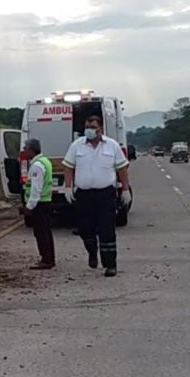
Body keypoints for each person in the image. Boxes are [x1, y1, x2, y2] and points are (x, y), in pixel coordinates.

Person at [62, 116, 129, 277]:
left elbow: (122, 169)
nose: (89, 130)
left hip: (105, 194)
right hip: (84, 195)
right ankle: (92, 252)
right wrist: (68, 187)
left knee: (107, 231)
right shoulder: (77, 146)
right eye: (87, 127)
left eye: (93, 127)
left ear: (101, 129)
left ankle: (110, 264)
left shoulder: (112, 146)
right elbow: (68, 167)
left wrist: (125, 189)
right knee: (85, 229)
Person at [22, 138, 55, 269]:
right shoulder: (45, 161)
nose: (24, 151)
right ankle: (49, 258)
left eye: (26, 149)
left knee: (41, 233)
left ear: (31, 150)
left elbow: (36, 188)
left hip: (39, 204)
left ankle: (46, 259)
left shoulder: (36, 166)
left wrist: (29, 206)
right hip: (45, 201)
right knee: (46, 231)